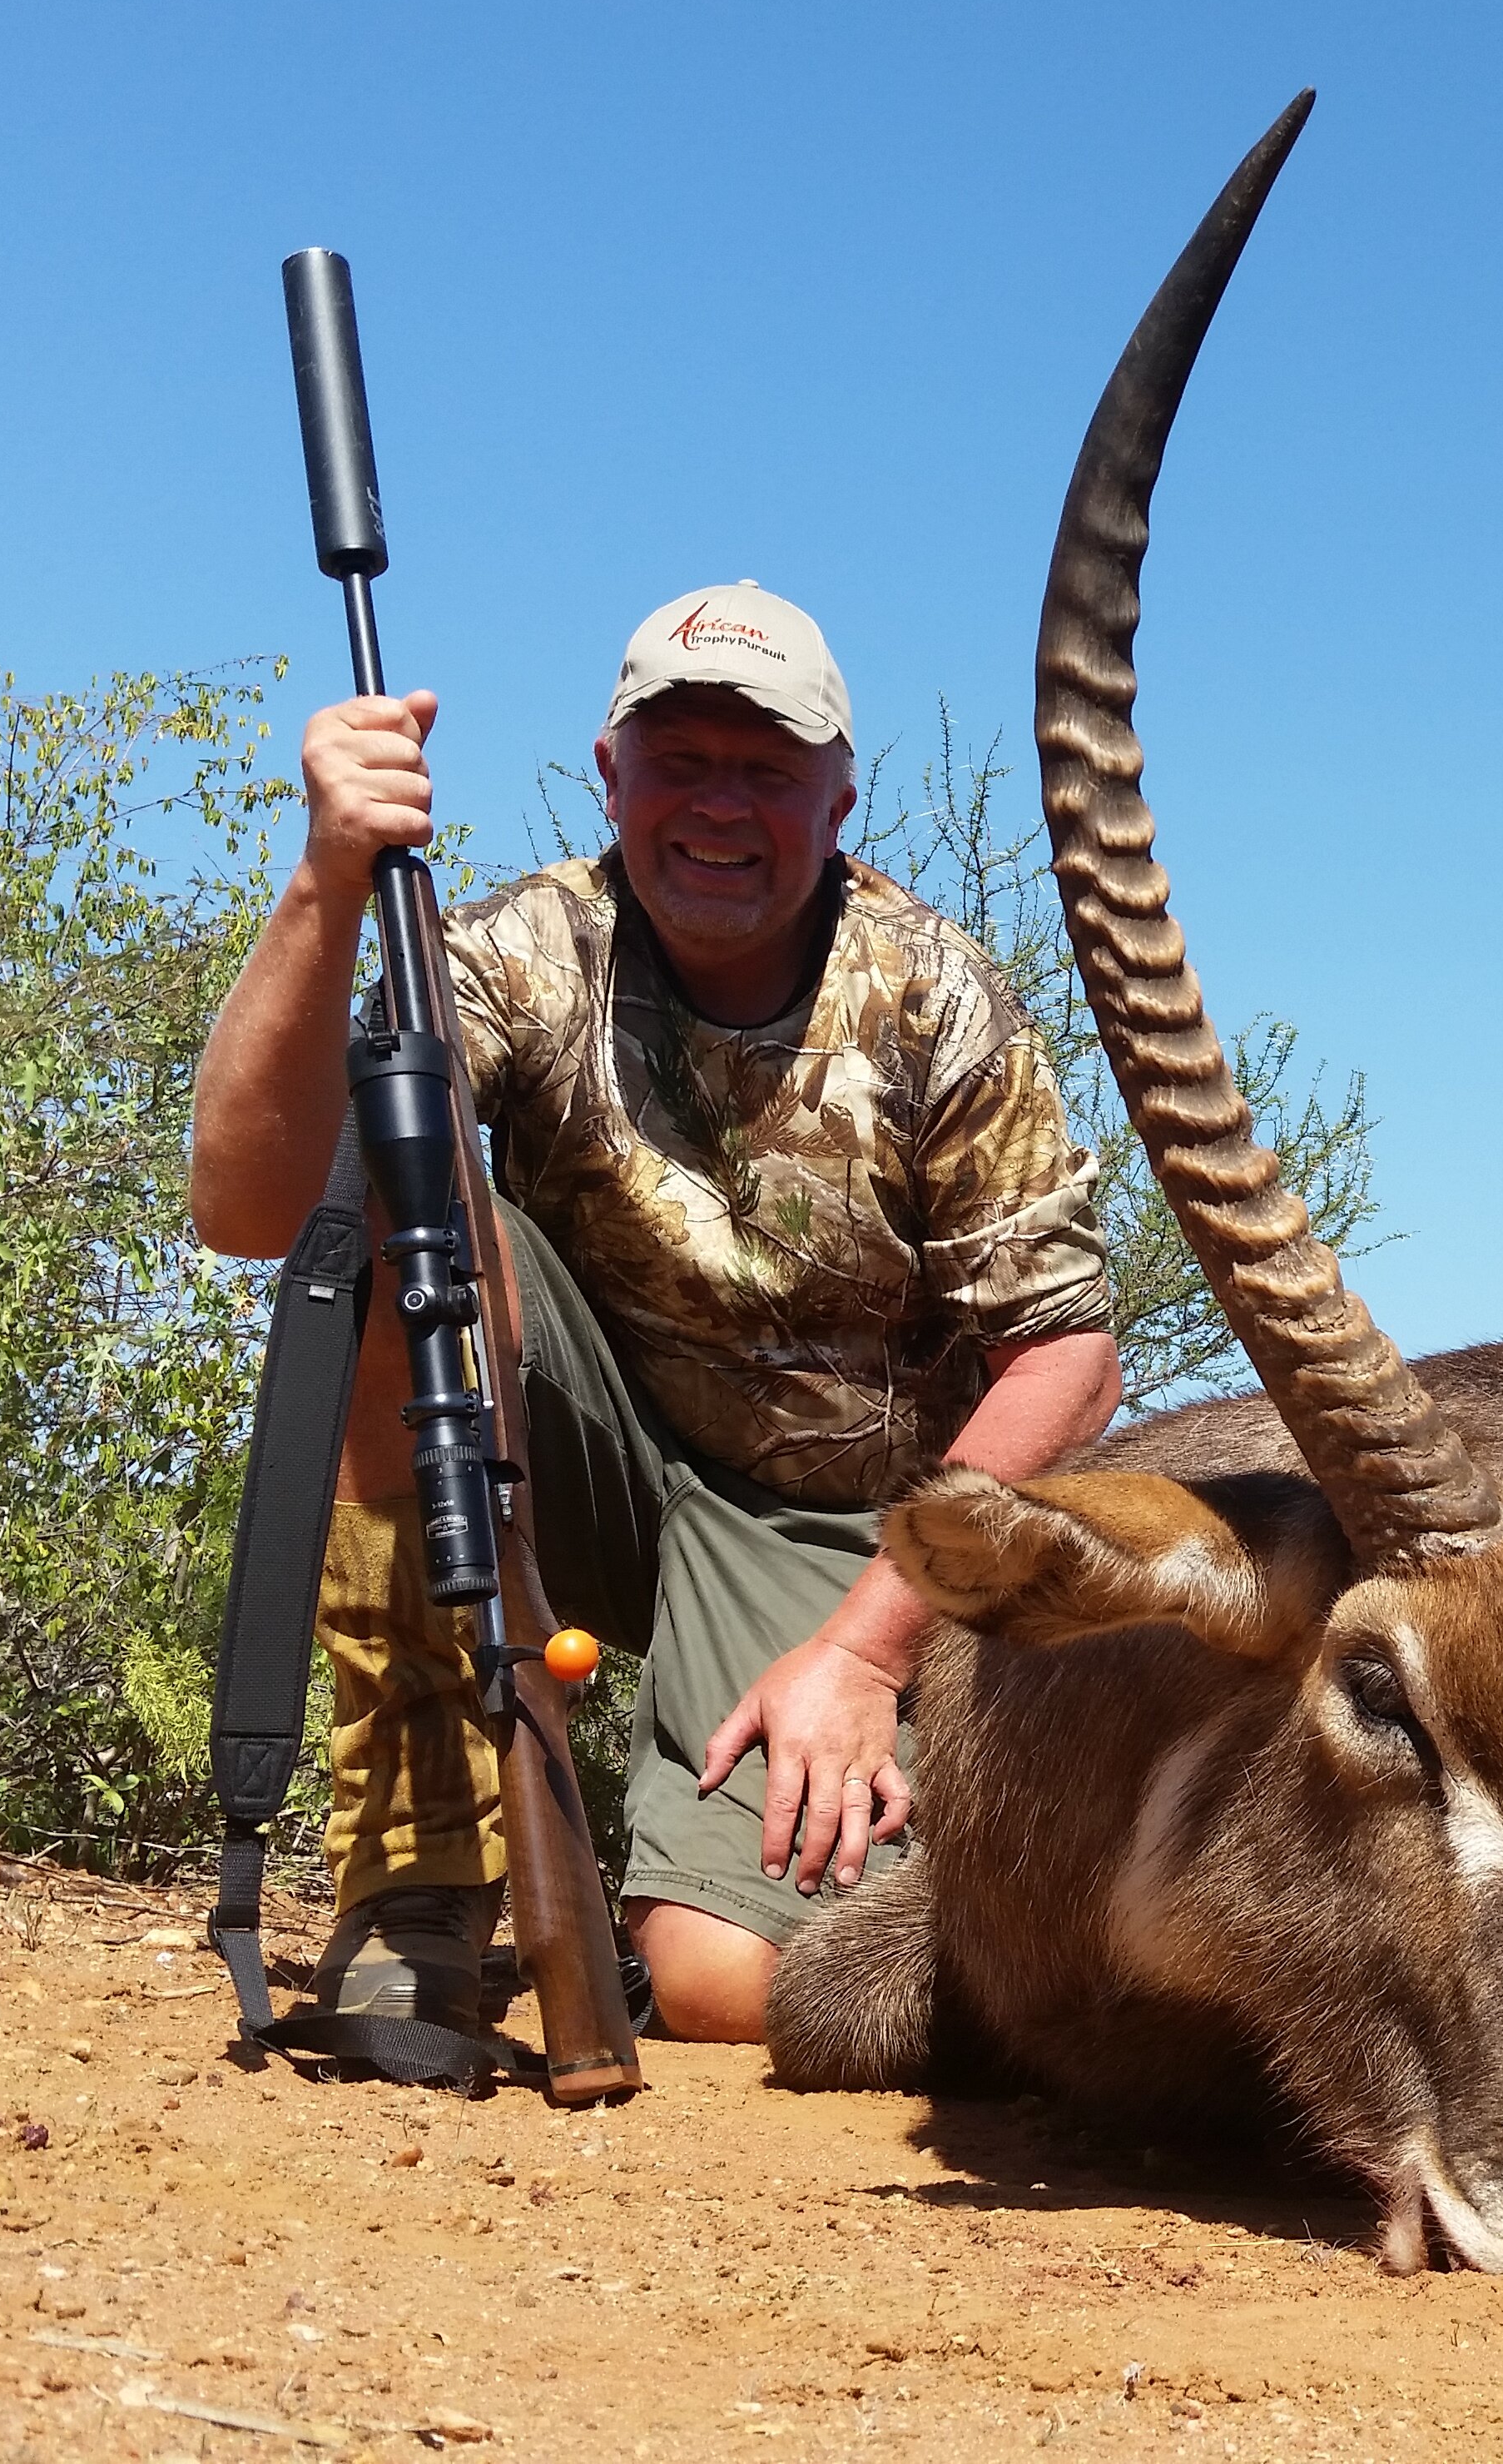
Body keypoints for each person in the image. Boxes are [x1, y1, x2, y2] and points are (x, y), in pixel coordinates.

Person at [186, 581, 1122, 2043]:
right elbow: (253, 1213)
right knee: (393, 1216)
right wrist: (324, 879)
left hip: (844, 1522)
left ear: (841, 796)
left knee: (727, 1987)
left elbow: (1067, 1359)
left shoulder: (936, 994)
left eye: (765, 769)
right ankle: (419, 1878)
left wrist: (871, 1650)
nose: (718, 806)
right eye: (680, 760)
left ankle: (993, 1888)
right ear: (612, 774)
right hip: (595, 1458)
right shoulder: (511, 953)